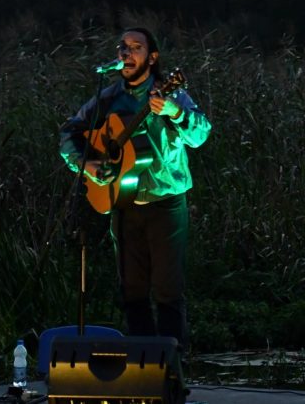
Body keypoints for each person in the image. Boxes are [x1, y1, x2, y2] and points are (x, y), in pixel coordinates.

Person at [58, 27, 211, 347]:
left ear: (152, 58)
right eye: (122, 48)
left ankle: (171, 368)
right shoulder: (109, 96)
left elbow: (200, 135)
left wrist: (175, 112)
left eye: (135, 48)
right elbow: (70, 133)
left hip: (165, 201)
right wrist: (85, 165)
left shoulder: (169, 93)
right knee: (132, 289)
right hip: (122, 203)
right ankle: (142, 365)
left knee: (168, 289)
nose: (126, 53)